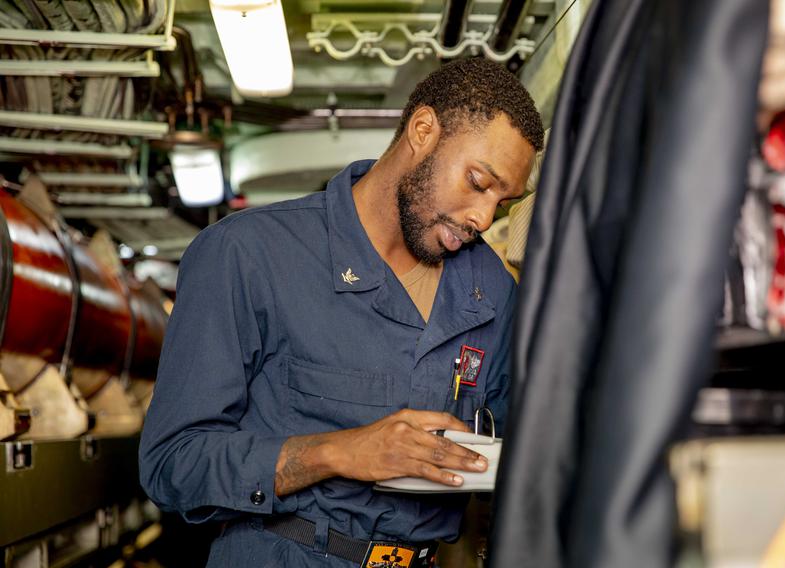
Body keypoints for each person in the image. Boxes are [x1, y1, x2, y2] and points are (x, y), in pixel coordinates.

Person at [138, 57, 543, 567]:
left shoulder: (489, 288)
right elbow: (172, 464)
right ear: (423, 130)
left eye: (503, 204)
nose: (483, 218)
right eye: (478, 182)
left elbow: (520, 451)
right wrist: (337, 453)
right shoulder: (248, 254)